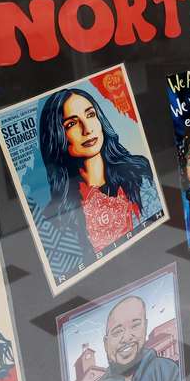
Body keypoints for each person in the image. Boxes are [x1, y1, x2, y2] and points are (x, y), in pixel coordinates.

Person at [38, 88, 160, 263]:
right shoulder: (57, 215)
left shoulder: (138, 172)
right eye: (71, 124)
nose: (87, 129)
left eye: (90, 115)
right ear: (56, 136)